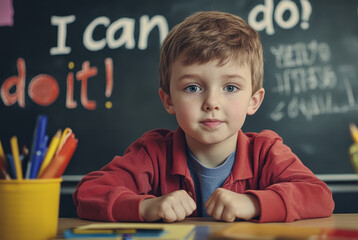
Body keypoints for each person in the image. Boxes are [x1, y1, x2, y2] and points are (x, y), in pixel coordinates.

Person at [73, 11, 334, 223]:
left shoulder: (266, 152)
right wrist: (146, 207)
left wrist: (253, 203)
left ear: (253, 101)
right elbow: (88, 193)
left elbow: (319, 196)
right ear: (168, 100)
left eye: (230, 88)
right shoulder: (151, 153)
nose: (211, 103)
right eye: (193, 88)